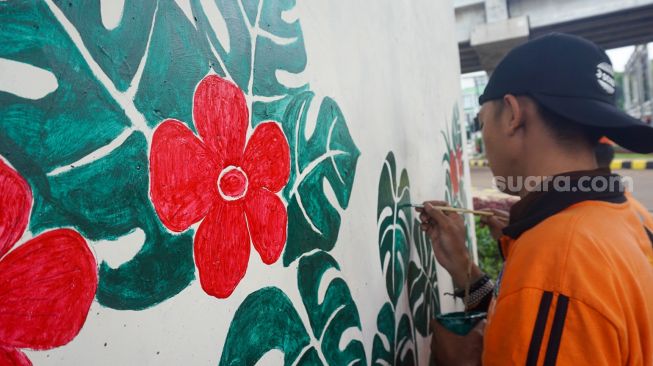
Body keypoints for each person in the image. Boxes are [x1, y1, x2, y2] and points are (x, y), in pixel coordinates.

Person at [419, 33, 653, 365]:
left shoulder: (557, 259)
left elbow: (555, 301)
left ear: (513, 115)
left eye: (481, 121)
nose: (482, 135)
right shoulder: (631, 214)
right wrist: (465, 272)